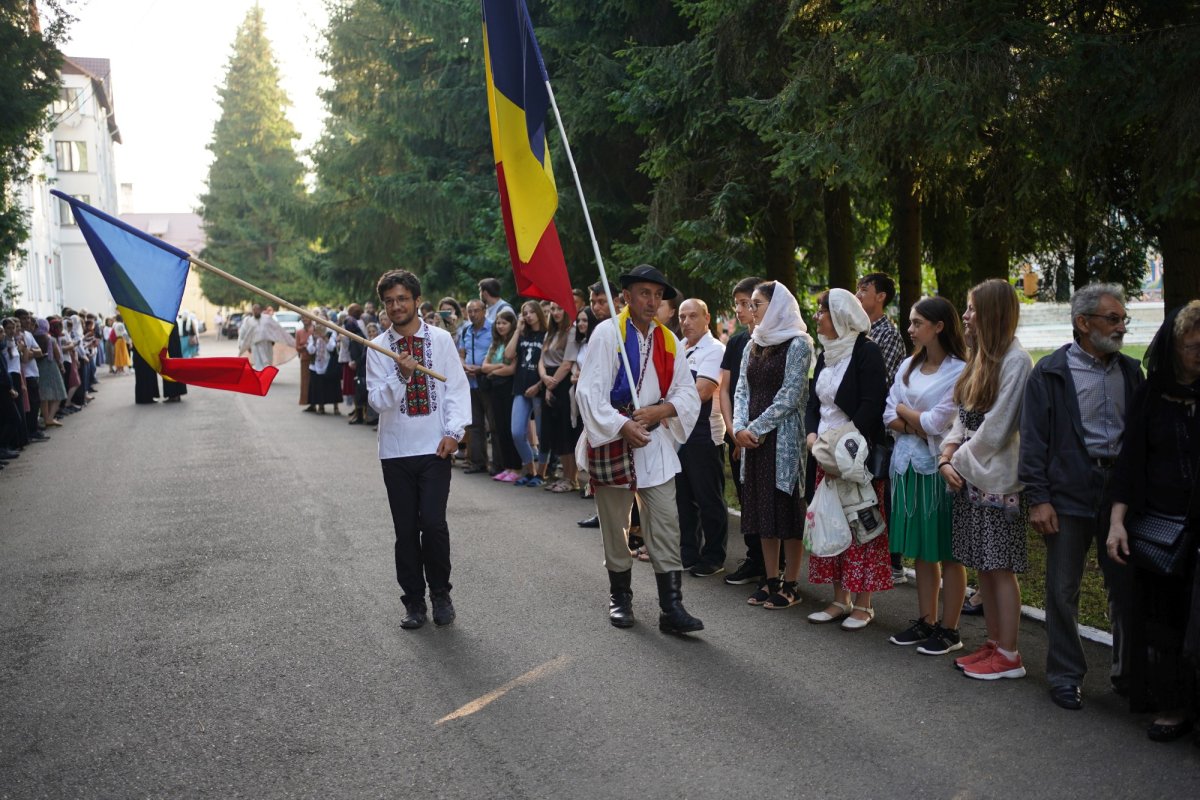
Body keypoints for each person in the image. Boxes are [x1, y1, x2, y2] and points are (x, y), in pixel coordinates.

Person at [1020, 284, 1141, 710]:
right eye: (1113, 319)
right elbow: (1033, 440)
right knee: (1062, 588)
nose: (1121, 327)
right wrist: (1039, 498)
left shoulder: (1131, 372)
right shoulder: (1051, 372)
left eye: (1123, 319)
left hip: (1120, 494)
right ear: (1083, 323)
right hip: (1068, 492)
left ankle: (1128, 676)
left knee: (1125, 587)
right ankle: (1065, 676)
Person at [575, 264, 702, 634]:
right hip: (612, 439)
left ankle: (671, 608)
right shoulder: (607, 334)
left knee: (665, 522)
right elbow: (589, 392)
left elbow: (686, 392)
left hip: (652, 441)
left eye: (657, 295)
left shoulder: (668, 340)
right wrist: (621, 425)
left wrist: (662, 410)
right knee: (615, 526)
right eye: (644, 293)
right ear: (627, 297)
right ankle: (620, 597)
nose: (651, 301)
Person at [1106, 300, 1200, 742]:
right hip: (1161, 525)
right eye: (1193, 347)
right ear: (1175, 346)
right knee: (1165, 618)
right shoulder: (1152, 393)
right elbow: (1130, 463)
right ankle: (1173, 705)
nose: (1199, 355)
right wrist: (1117, 522)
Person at [367, 269, 471, 629]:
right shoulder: (377, 348)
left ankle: (441, 593)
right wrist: (402, 375)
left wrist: (454, 432)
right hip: (395, 451)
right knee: (406, 531)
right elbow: (377, 402)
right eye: (389, 301)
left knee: (434, 524)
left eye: (402, 299)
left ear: (417, 301)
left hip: (434, 449)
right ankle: (413, 602)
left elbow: (457, 389)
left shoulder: (440, 340)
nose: (396, 306)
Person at [939, 279, 1032, 680]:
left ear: (992, 313)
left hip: (997, 481)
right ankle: (994, 643)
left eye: (973, 309)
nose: (965, 316)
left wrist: (955, 462)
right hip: (971, 476)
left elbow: (997, 428)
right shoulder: (981, 357)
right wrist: (946, 454)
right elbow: (962, 417)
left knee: (1000, 567)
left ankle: (1009, 655)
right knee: (985, 567)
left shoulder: (1017, 361)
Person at [884, 297, 969, 654]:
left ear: (939, 326)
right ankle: (927, 620)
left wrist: (905, 412)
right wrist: (912, 423)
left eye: (917, 323)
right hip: (907, 466)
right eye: (910, 322)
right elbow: (887, 413)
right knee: (921, 550)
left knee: (946, 550)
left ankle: (950, 629)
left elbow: (938, 423)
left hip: (939, 469)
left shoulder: (960, 370)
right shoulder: (908, 365)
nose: (910, 329)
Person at [805, 288, 892, 630]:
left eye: (822, 311)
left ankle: (864, 604)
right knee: (832, 522)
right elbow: (814, 404)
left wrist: (842, 444)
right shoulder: (826, 353)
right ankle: (840, 599)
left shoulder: (866, 351)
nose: (817, 317)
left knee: (861, 525)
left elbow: (873, 403)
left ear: (840, 316)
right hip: (824, 454)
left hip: (854, 456)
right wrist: (813, 436)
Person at [732, 281, 812, 608]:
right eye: (749, 304)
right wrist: (738, 428)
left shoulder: (799, 343)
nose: (751, 310)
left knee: (787, 511)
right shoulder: (754, 343)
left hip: (783, 440)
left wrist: (755, 428)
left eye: (757, 304)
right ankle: (770, 580)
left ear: (777, 305)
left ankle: (791, 584)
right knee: (763, 510)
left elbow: (791, 395)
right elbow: (742, 389)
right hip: (753, 442)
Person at [857, 271, 909, 585]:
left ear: (881, 297)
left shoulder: (887, 334)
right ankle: (872, 556)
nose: (858, 294)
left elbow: (880, 383)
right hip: (861, 424)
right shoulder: (858, 331)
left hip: (881, 428)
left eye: (864, 289)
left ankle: (893, 561)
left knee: (884, 492)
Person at [675, 298, 729, 576]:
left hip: (704, 434)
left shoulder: (715, 349)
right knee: (684, 499)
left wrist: (666, 403)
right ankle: (689, 553)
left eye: (693, 316)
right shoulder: (679, 347)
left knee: (708, 498)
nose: (686, 322)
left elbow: (703, 391)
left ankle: (714, 556)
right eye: (682, 317)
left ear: (707, 318)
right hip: (678, 433)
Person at [719, 276, 765, 585]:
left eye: (745, 303)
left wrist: (748, 432)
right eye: (736, 303)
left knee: (765, 499)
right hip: (736, 432)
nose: (739, 309)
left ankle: (774, 566)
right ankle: (755, 558)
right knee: (745, 496)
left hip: (761, 434)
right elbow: (725, 389)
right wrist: (733, 430)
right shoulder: (736, 342)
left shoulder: (776, 340)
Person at [539, 301, 581, 492]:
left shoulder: (571, 332)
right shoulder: (550, 332)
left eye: (559, 308)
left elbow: (567, 363)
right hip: (549, 380)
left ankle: (571, 478)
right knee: (555, 433)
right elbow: (541, 360)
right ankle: (565, 477)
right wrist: (544, 379)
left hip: (562, 384)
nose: (556, 312)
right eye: (553, 309)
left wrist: (551, 385)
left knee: (566, 432)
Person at [505, 300, 547, 486]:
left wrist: (538, 385)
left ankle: (541, 474)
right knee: (516, 432)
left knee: (542, 433)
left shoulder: (546, 334)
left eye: (531, 312)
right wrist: (517, 330)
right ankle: (530, 470)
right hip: (521, 388)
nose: (528, 316)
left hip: (539, 389)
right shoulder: (522, 334)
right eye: (525, 313)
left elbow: (548, 364)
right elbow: (508, 355)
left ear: (539, 313)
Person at [481, 308, 523, 482]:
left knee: (510, 428)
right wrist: (499, 367)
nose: (500, 326)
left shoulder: (515, 341)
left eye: (504, 323)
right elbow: (484, 366)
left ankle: (516, 467)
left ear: (512, 324)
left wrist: (494, 370)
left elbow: (511, 369)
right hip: (495, 389)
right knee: (500, 428)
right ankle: (507, 467)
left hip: (509, 388)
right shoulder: (495, 343)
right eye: (498, 323)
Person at [459, 299, 494, 474]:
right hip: (470, 382)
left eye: (476, 310)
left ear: (484, 311)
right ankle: (478, 462)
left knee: (494, 424)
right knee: (474, 424)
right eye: (470, 311)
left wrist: (482, 369)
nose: (473, 314)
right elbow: (461, 353)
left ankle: (499, 464)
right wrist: (464, 365)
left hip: (489, 380)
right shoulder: (466, 330)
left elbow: (500, 352)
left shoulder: (493, 328)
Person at [306, 314, 341, 415]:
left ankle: (336, 407)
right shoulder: (313, 335)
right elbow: (311, 350)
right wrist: (315, 339)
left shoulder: (331, 333)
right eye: (318, 322)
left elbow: (332, 348)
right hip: (316, 364)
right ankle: (321, 406)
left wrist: (324, 337)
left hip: (329, 364)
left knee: (332, 386)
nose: (320, 325)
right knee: (319, 386)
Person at [238, 304, 274, 370]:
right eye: (254, 310)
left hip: (266, 345)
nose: (256, 311)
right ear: (252, 311)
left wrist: (272, 340)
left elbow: (272, 331)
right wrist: (247, 346)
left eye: (257, 309)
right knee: (258, 363)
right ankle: (260, 374)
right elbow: (244, 334)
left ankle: (266, 374)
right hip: (255, 346)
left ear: (260, 310)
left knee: (267, 362)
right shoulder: (249, 321)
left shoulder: (266, 320)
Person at [296, 318, 314, 412]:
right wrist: (304, 346)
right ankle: (308, 403)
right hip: (304, 359)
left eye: (306, 318)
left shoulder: (314, 330)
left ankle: (316, 403)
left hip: (314, 360)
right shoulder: (299, 332)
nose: (304, 320)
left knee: (314, 382)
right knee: (305, 383)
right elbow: (297, 347)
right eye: (303, 318)